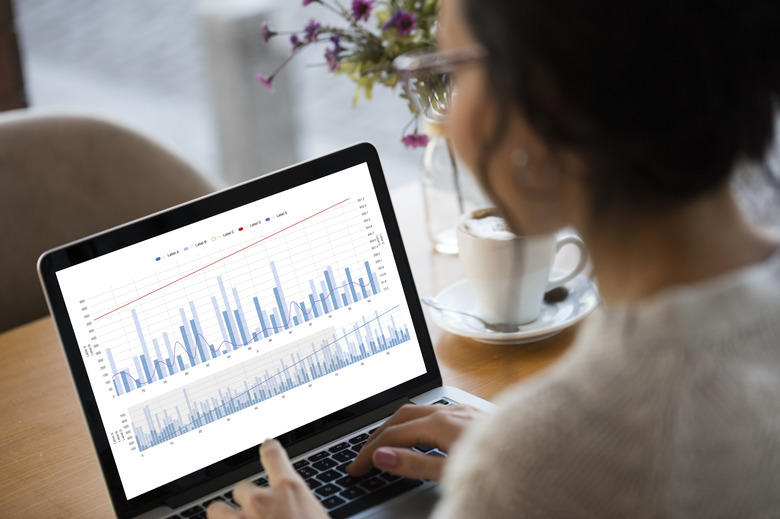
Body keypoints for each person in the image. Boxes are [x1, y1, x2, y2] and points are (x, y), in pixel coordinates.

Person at [208, 0, 780, 517]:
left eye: (451, 73)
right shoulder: (547, 452)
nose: (441, 117)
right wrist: (528, 443)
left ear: (541, 104)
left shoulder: (540, 465)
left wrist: (532, 457)